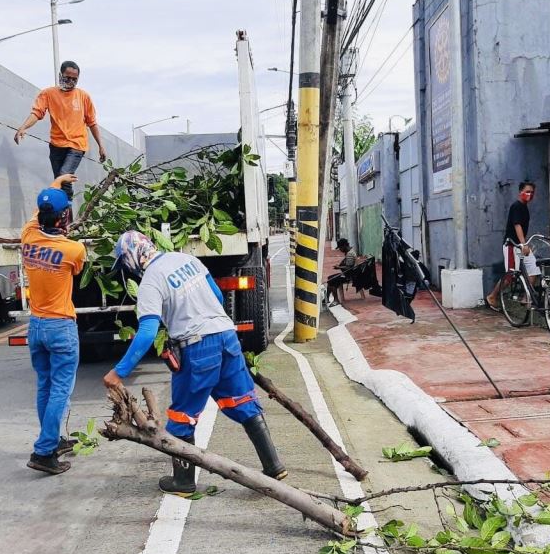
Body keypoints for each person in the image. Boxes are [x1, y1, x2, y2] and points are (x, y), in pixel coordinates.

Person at [103, 231, 286, 497]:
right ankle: (274, 466)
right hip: (227, 337)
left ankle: (184, 482)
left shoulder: (151, 281)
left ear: (131, 257)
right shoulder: (185, 259)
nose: (127, 270)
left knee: (181, 416)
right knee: (243, 401)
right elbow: (217, 297)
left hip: (198, 348)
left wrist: (118, 372)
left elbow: (147, 332)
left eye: (125, 264)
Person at [23, 174, 87, 475]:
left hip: (35, 326)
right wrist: (58, 186)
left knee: (45, 386)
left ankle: (54, 440)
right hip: (60, 326)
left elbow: (39, 213)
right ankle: (44, 451)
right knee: (61, 389)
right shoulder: (74, 250)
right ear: (65, 216)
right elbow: (76, 272)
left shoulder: (27, 237)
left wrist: (53, 186)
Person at [14, 61, 107, 198]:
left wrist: (101, 146)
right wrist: (23, 127)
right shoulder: (48, 94)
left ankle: (67, 209)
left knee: (63, 176)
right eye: (67, 78)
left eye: (74, 79)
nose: (70, 82)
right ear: (60, 75)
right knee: (59, 181)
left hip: (77, 145)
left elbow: (92, 123)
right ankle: (65, 212)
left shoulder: (83, 97)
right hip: (56, 145)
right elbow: (37, 113)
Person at [486, 181, 540, 310]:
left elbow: (521, 229)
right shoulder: (516, 206)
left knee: (534, 269)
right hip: (512, 245)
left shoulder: (525, 208)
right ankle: (492, 296)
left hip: (521, 245)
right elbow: (517, 225)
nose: (530, 194)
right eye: (527, 191)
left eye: (532, 192)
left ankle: (526, 297)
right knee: (510, 276)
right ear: (520, 192)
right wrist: (523, 244)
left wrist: (525, 244)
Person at [327, 238, 357, 304]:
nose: (340, 250)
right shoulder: (349, 252)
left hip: (349, 276)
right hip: (348, 274)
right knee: (330, 278)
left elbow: (349, 268)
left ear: (344, 246)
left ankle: (336, 300)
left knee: (332, 280)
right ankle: (326, 298)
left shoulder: (350, 254)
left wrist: (339, 267)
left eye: (340, 248)